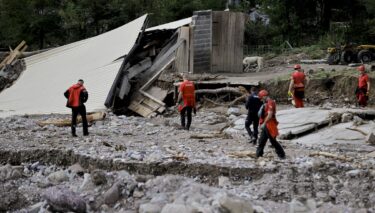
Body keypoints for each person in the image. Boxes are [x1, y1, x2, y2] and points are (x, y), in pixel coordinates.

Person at [256, 89, 286, 159]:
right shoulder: (267, 103)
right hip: (266, 124)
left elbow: (270, 115)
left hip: (269, 124)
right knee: (261, 140)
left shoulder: (270, 102)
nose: (261, 100)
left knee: (273, 141)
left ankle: (282, 155)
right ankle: (258, 155)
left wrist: (264, 123)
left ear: (264, 96)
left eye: (261, 98)